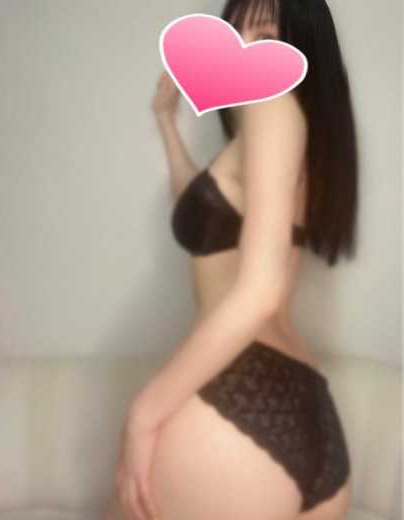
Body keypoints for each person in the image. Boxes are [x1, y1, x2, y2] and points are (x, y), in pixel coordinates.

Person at [104, 0, 358, 519]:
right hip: (310, 411)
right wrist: (167, 123)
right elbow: (206, 210)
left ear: (303, 48)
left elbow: (260, 291)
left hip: (238, 397)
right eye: (234, 32)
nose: (242, 49)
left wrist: (143, 414)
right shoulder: (293, 133)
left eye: (263, 35)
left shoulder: (273, 109)